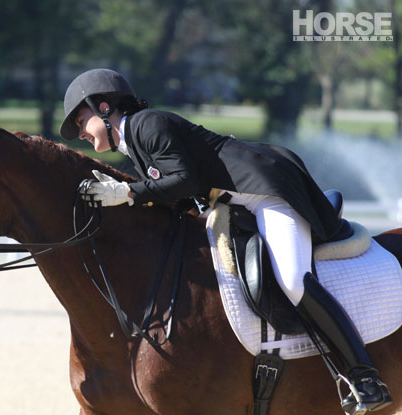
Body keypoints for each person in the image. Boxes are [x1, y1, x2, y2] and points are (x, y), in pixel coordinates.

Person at [59, 68, 392, 414]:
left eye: (82, 121)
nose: (81, 132)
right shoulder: (135, 143)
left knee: (293, 281)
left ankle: (365, 376)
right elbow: (176, 197)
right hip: (239, 203)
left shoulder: (146, 124)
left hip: (266, 191)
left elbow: (184, 182)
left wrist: (127, 192)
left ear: (103, 107)